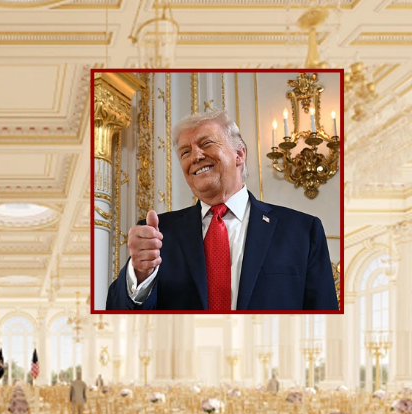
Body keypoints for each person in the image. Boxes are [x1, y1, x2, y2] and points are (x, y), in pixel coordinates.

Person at [106, 110, 339, 311]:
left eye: (206, 144)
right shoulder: (157, 234)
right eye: (185, 152)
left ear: (239, 154)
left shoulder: (301, 230)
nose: (195, 156)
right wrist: (140, 274)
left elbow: (324, 318)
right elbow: (117, 314)